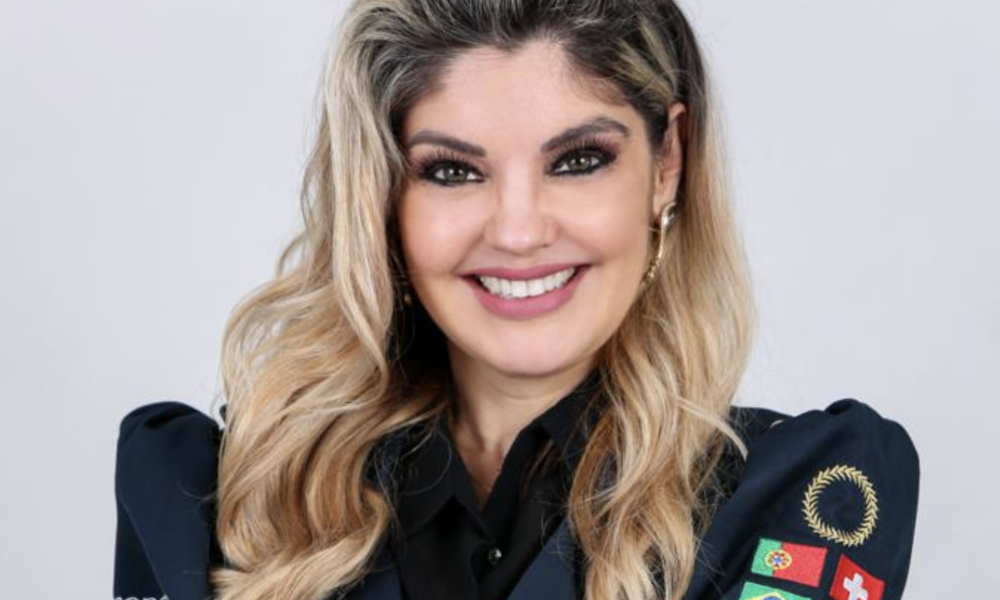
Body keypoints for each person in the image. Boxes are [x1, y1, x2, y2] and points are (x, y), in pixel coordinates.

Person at [112, 1, 920, 600]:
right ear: (382, 201)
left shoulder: (814, 495)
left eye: (578, 160)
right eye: (452, 171)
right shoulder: (212, 499)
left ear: (667, 162)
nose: (519, 231)